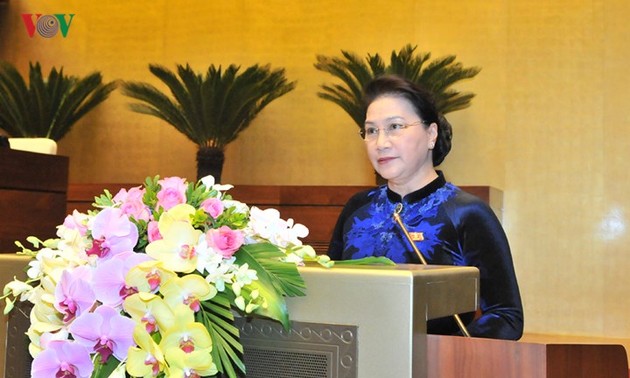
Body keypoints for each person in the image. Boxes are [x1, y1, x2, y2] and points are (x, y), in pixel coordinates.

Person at [327, 74, 523, 340]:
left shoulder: (467, 213)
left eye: (395, 126)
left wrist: (438, 352)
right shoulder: (357, 208)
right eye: (371, 130)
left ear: (431, 134)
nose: (381, 142)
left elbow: (506, 316)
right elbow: (330, 294)